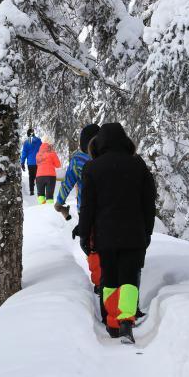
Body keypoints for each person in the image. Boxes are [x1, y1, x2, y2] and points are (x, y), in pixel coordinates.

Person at [78, 122, 156, 344]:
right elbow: (149, 202)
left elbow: (87, 207)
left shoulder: (92, 168)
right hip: (134, 234)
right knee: (129, 279)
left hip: (106, 236)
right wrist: (147, 232)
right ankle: (126, 321)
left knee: (110, 279)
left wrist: (85, 235)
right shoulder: (138, 165)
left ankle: (113, 324)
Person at [55, 123, 101, 289]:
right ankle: (106, 276)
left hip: (86, 210)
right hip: (108, 209)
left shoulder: (78, 160)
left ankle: (99, 280)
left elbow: (68, 182)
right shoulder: (105, 156)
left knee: (89, 244)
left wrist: (59, 202)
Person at [20, 128, 42, 196]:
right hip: (39, 162)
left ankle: (31, 191)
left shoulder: (27, 142)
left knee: (31, 177)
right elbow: (42, 150)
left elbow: (24, 153)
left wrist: (22, 162)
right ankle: (40, 191)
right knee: (38, 177)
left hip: (31, 163)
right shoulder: (39, 141)